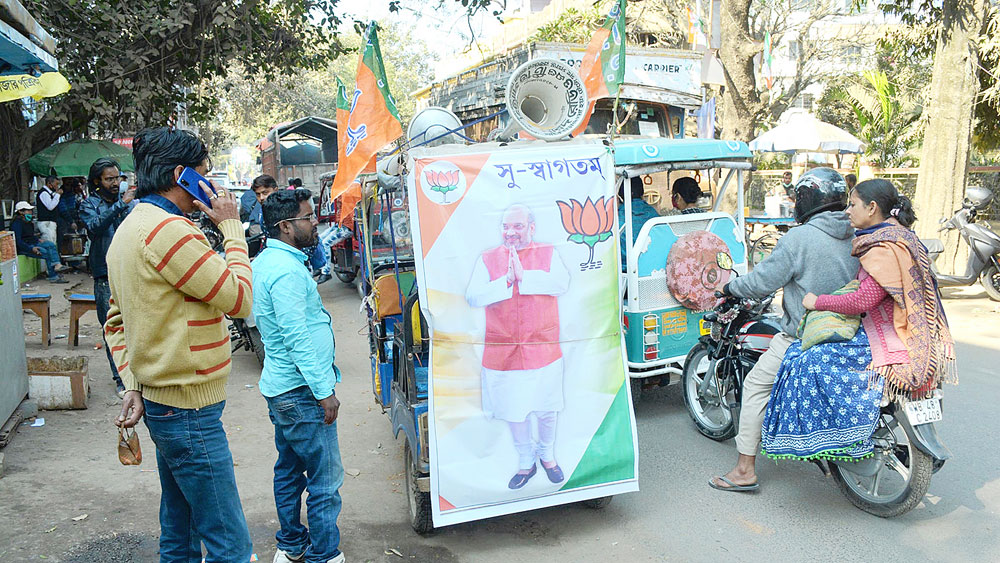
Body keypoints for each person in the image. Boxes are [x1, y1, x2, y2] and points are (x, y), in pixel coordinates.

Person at [108, 127, 254, 562]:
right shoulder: (169, 231)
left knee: (180, 529)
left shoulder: (130, 228)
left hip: (163, 403)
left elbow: (116, 322)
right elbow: (240, 299)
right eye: (204, 174)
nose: (210, 185)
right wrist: (230, 227)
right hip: (188, 409)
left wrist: (133, 382)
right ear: (181, 175)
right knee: (228, 540)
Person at [709, 168, 859, 492]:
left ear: (805, 200)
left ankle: (744, 470)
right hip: (854, 332)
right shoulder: (857, 231)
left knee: (755, 386)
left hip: (805, 335)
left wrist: (731, 287)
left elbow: (762, 281)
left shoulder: (798, 238)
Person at [254, 189, 346, 563]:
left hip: (283, 389)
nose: (314, 223)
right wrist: (324, 391)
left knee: (290, 470)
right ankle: (323, 555)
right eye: (308, 218)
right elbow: (296, 338)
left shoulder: (268, 262)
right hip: (301, 392)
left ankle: (291, 545)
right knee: (325, 479)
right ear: (286, 226)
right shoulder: (287, 271)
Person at [802, 179, 955, 399]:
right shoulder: (899, 236)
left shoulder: (885, 247)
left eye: (853, 205)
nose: (848, 211)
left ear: (872, 207)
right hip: (907, 329)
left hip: (893, 334)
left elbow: (863, 300)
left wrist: (817, 302)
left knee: (808, 360)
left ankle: (842, 428)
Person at [465, 204, 570, 489]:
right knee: (514, 408)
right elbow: (473, 296)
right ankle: (526, 461)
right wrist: (507, 279)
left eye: (518, 226)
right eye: (506, 226)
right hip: (504, 348)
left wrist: (526, 277)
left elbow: (562, 283)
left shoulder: (549, 252)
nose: (511, 232)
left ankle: (547, 455)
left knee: (548, 407)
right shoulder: (487, 258)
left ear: (531, 228)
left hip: (543, 346)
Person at [79, 158, 136, 397]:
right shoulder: (89, 204)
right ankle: (121, 379)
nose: (115, 183)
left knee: (135, 324)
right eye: (109, 179)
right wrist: (121, 206)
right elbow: (94, 227)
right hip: (104, 274)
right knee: (112, 327)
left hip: (130, 270)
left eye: (117, 178)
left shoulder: (130, 203)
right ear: (97, 181)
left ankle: (136, 375)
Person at [10, 201, 69, 283]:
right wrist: (31, 249)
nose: (30, 212)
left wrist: (38, 239)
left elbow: (30, 236)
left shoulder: (29, 222)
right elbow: (18, 241)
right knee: (46, 252)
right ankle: (53, 275)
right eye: (28, 210)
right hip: (25, 247)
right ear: (21, 212)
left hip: (33, 243)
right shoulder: (17, 224)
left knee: (50, 245)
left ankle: (57, 264)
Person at [617, 176, 660, 269]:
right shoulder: (654, 214)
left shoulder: (617, 218)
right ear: (642, 192)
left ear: (620, 195)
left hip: (625, 270)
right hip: (653, 267)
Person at [35, 175, 63, 243]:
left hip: (51, 222)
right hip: (46, 222)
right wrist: (58, 195)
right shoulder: (44, 193)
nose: (57, 186)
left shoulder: (51, 194)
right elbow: (50, 206)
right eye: (56, 184)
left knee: (53, 242)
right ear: (49, 184)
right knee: (49, 242)